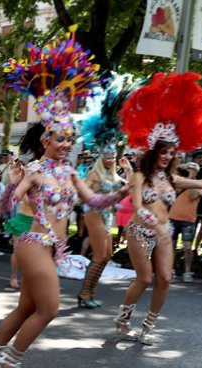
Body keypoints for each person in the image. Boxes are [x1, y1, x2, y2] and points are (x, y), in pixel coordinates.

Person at [0, 31, 127, 368]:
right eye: (59, 139)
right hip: (32, 241)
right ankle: (11, 363)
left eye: (69, 139)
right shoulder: (35, 171)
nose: (65, 144)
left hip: (53, 247)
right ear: (46, 140)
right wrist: (14, 186)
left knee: (27, 307)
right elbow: (6, 207)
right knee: (49, 308)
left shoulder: (71, 173)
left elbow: (95, 202)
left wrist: (124, 190)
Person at [114, 72, 202, 344]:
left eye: (171, 153)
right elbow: (139, 205)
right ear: (154, 151)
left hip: (163, 232)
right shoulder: (141, 175)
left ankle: (148, 327)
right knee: (144, 279)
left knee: (165, 279)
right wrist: (152, 224)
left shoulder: (172, 178)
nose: (167, 157)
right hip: (140, 231)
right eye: (163, 152)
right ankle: (123, 320)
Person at [74, 74, 136, 308]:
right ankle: (84, 294)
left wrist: (128, 168)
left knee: (107, 255)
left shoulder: (112, 174)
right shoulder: (94, 174)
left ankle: (91, 292)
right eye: (108, 155)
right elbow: (84, 196)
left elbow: (129, 186)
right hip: (95, 215)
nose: (111, 158)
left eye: (114, 154)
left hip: (107, 216)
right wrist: (105, 200)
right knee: (100, 255)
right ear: (102, 155)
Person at [169, 164, 201, 281]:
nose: (190, 171)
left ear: (197, 172)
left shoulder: (200, 184)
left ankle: (187, 272)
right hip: (173, 217)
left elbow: (193, 196)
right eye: (188, 170)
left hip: (188, 220)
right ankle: (170, 270)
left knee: (187, 248)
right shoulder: (181, 182)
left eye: (192, 170)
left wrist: (191, 179)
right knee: (170, 246)